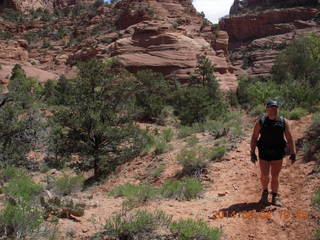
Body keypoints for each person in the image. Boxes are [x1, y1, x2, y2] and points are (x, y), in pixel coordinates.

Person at [250, 100, 296, 206]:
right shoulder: (260, 122)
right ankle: (265, 192)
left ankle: (275, 196)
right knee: (265, 175)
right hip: (264, 152)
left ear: (277, 109)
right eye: (270, 108)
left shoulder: (283, 122)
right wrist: (252, 152)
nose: (273, 111)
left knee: (275, 176)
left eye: (275, 108)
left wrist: (293, 152)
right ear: (266, 109)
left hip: (278, 153)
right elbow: (254, 137)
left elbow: (289, 137)